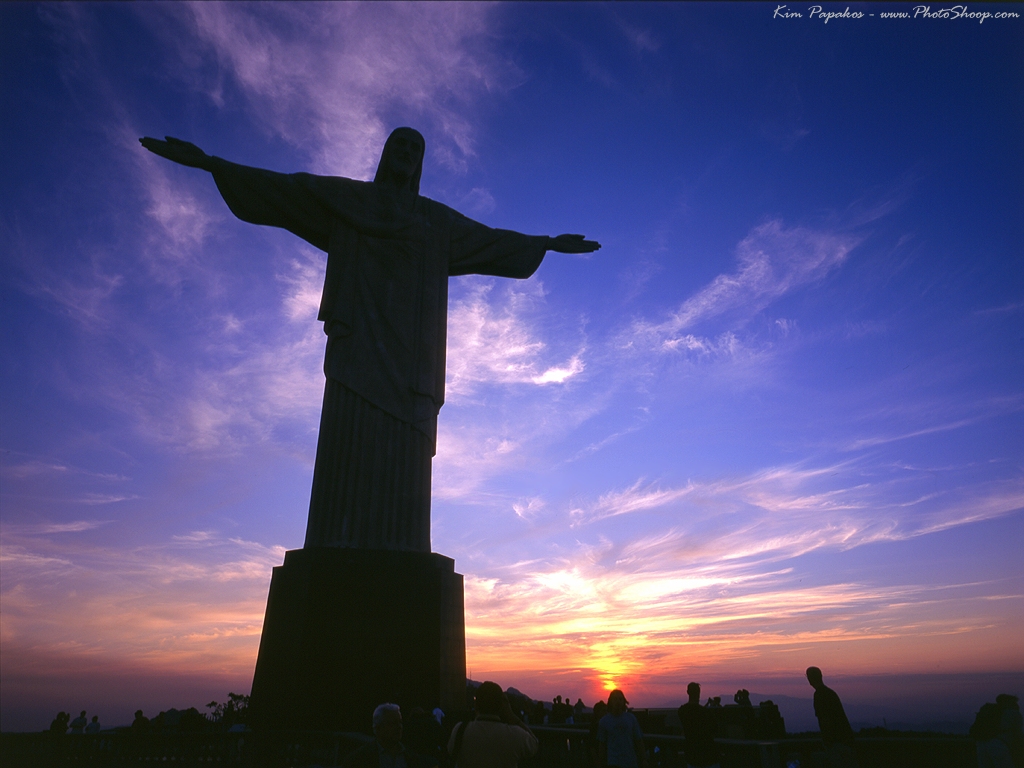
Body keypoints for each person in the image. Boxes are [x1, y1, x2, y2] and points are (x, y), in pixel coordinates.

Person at [140, 130, 599, 553]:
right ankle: (333, 543)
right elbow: (287, 189)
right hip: (356, 344)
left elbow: (488, 239)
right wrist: (211, 164)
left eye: (413, 150)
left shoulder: (434, 221)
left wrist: (546, 243)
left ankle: (401, 546)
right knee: (347, 443)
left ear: (420, 163)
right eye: (399, 145)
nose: (405, 154)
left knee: (405, 459)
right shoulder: (348, 199)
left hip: (411, 358)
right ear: (384, 154)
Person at [447, 681, 537, 768]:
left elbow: (450, 752)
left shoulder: (460, 730)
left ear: (476, 704)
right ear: (502, 706)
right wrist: (511, 715)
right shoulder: (515, 734)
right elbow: (534, 744)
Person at [344, 703, 432, 768]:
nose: (399, 727)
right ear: (378, 728)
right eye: (392, 723)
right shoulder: (360, 759)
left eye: (400, 722)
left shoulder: (411, 757)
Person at [806, 667, 857, 768]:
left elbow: (825, 720)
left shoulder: (820, 695)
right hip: (845, 742)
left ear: (810, 679)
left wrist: (828, 741)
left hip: (836, 744)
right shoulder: (830, 693)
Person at [598, 689, 647, 768]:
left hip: (630, 761)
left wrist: (643, 758)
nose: (618, 701)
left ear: (624, 701)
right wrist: (601, 762)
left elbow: (638, 740)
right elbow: (602, 744)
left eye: (620, 699)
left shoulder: (631, 718)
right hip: (613, 762)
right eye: (615, 699)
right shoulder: (604, 721)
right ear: (610, 701)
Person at [677, 683, 719, 768]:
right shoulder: (706, 713)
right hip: (709, 755)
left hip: (692, 755)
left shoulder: (682, 711)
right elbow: (715, 729)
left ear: (688, 692)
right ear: (699, 693)